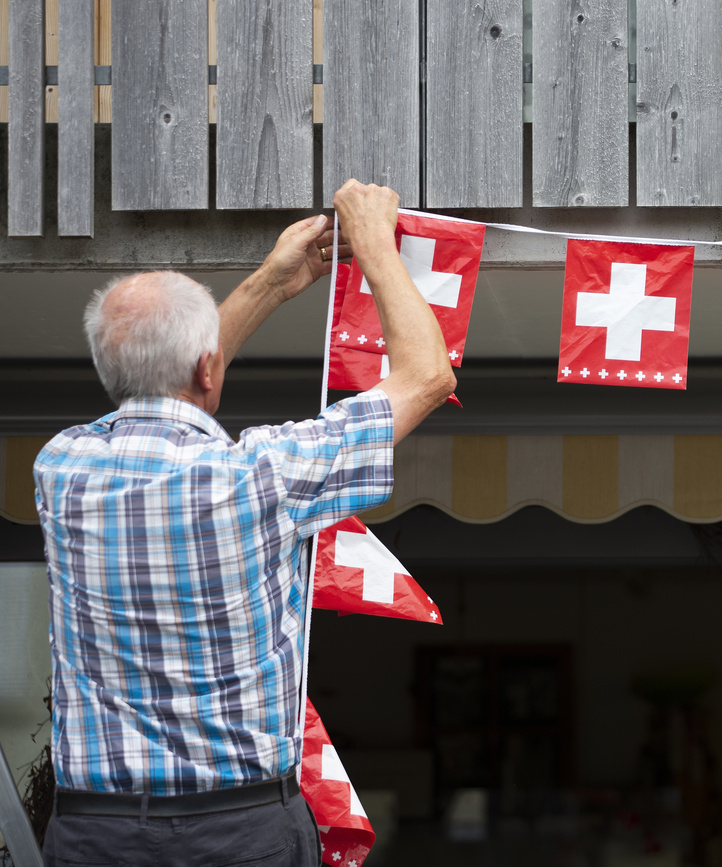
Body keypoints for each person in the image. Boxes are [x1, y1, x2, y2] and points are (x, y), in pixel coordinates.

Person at [33, 181, 453, 866]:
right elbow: (426, 376)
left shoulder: (62, 469)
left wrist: (270, 284)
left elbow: (167, 382)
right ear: (208, 366)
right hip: (240, 833)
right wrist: (374, 240)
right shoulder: (264, 475)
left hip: (96, 833)